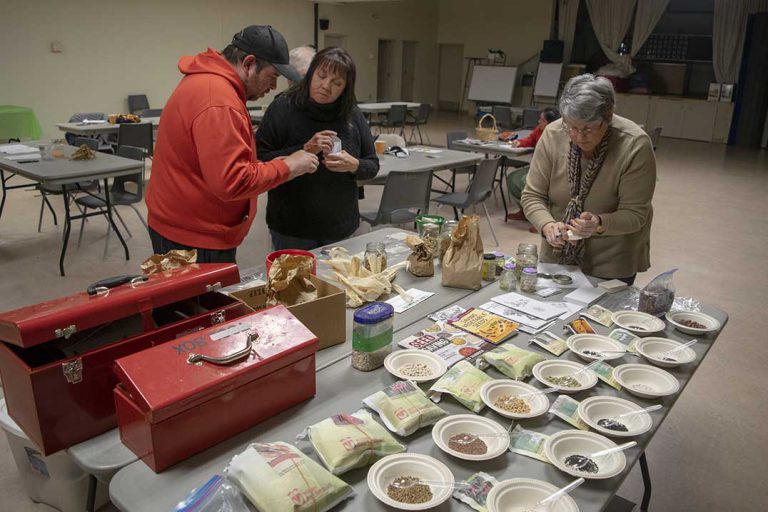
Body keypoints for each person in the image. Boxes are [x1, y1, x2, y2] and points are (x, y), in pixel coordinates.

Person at [145, 25, 319, 263]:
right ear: (248, 64)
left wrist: (269, 164)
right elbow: (231, 182)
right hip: (194, 237)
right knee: (201, 301)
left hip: (182, 223)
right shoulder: (218, 100)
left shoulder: (208, 83)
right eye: (272, 77)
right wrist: (289, 166)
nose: (273, 87)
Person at [520, 74, 656, 284]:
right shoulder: (554, 134)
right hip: (557, 256)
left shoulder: (634, 144)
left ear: (608, 116)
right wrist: (547, 225)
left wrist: (599, 223)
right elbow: (532, 195)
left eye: (588, 128)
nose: (578, 136)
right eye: (571, 127)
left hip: (612, 261)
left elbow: (636, 214)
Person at [255, 47, 379, 250]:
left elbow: (372, 165)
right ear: (310, 74)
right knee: (294, 282)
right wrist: (304, 149)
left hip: (340, 227)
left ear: (345, 88)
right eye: (321, 77)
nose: (325, 87)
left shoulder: (351, 114)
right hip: (292, 228)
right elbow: (260, 160)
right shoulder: (283, 108)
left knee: (337, 281)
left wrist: (354, 165)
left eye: (336, 83)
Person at [506, 107, 560, 222]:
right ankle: (524, 211)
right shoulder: (539, 130)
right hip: (536, 168)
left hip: (551, 172)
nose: (539, 122)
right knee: (512, 178)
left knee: (524, 181)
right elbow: (530, 140)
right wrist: (519, 142)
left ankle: (542, 216)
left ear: (551, 123)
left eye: (542, 120)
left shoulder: (558, 135)